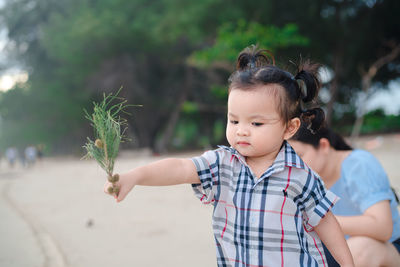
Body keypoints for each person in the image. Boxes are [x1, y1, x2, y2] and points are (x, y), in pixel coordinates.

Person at [104, 46, 354, 266]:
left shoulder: (300, 176)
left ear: (289, 128)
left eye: (256, 124)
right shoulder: (221, 164)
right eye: (234, 120)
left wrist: (347, 265)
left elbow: (326, 223)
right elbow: (179, 168)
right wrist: (135, 176)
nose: (241, 130)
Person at [290, 125, 400, 266]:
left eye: (299, 156)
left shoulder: (358, 164)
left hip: (386, 248)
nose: (295, 166)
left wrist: (319, 222)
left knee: (361, 248)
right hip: (342, 251)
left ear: (323, 146)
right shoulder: (305, 182)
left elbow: (382, 227)